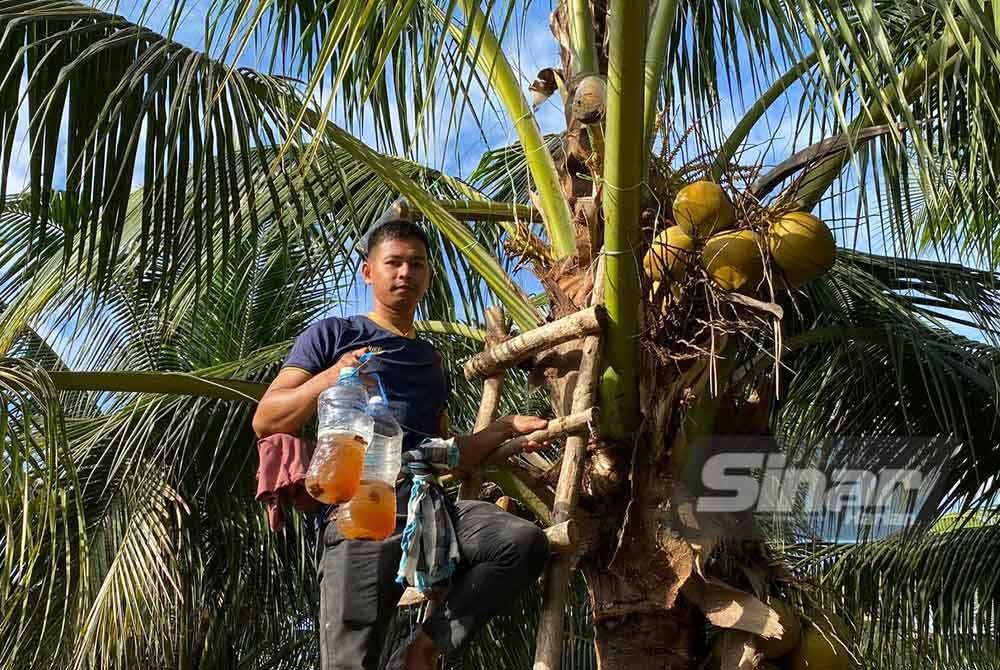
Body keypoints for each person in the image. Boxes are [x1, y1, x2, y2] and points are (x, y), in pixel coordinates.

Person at [252, 211, 551, 670]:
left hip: (428, 508)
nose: (405, 273)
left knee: (521, 542)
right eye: (393, 263)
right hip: (358, 512)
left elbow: (448, 455)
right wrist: (334, 375)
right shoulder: (334, 335)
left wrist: (506, 427)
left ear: (427, 276)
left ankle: (421, 651)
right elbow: (268, 418)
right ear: (369, 272)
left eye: (416, 264)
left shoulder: (431, 362)